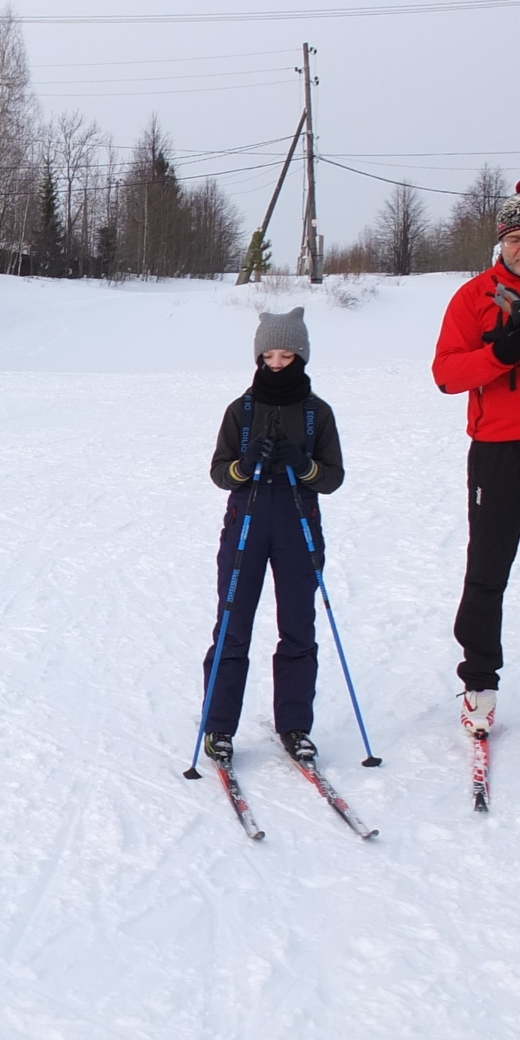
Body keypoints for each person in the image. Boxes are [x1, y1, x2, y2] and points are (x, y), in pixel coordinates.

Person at [200, 307, 345, 764]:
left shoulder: (316, 413)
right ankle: (219, 728)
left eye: (287, 354)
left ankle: (295, 725)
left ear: (300, 355)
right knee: (233, 626)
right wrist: (245, 466)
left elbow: (333, 477)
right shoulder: (240, 410)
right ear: (259, 357)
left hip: (299, 524)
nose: (278, 363)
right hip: (246, 522)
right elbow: (220, 471)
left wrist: (302, 465)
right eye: (270, 354)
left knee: (298, 628)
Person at [432, 179, 520, 736]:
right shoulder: (474, 296)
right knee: (487, 571)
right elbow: (447, 375)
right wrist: (502, 353)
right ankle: (479, 680)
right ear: (502, 243)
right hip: (499, 452)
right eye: (518, 238)